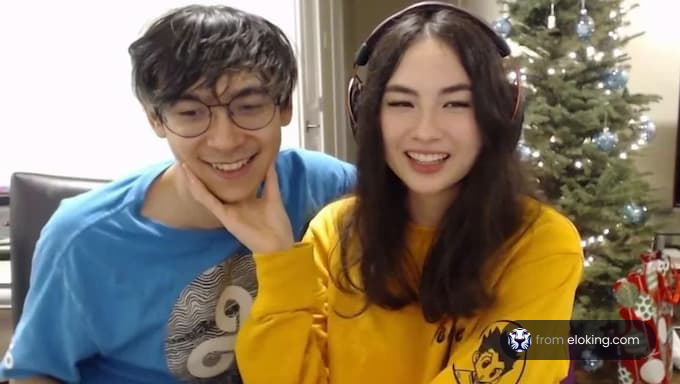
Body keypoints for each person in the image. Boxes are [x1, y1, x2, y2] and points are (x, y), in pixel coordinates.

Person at [185, 2, 584, 383]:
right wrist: (276, 259)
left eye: (456, 103)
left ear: (499, 115)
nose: (426, 130)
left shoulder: (544, 244)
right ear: (369, 115)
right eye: (401, 103)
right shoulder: (335, 230)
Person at [0, 4, 355, 383]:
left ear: (284, 106)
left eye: (249, 107)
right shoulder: (83, 238)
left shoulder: (322, 187)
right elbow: (35, 373)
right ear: (156, 119)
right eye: (190, 114)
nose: (225, 141)